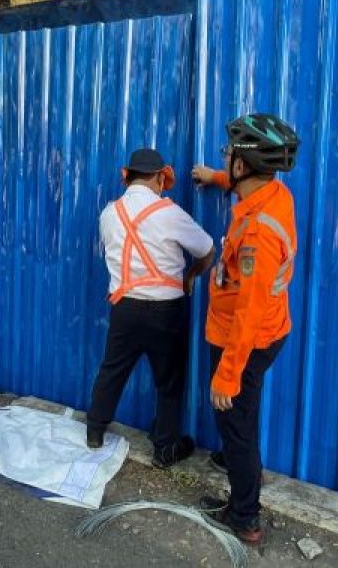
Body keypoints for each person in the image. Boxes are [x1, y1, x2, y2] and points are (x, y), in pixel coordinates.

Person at [190, 113, 300, 546]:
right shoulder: (273, 193)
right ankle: (239, 471)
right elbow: (246, 186)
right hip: (267, 330)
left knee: (237, 426)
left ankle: (244, 517)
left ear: (243, 165)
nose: (226, 158)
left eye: (229, 156)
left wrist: (228, 373)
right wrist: (215, 176)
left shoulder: (257, 234)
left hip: (246, 339)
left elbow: (250, 310)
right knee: (239, 424)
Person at [86, 147, 215, 468]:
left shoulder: (109, 213)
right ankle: (165, 449)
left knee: (112, 369)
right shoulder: (170, 213)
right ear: (160, 178)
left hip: (124, 308)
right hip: (165, 311)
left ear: (127, 176)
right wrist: (192, 274)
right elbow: (208, 249)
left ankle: (94, 431)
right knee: (168, 381)